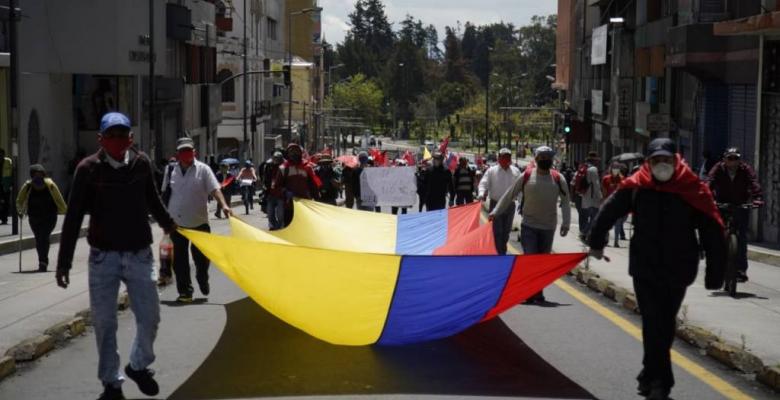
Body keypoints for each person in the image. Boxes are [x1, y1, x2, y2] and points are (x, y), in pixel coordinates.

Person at [587, 138, 725, 400]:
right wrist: (595, 242)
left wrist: (715, 274)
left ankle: (652, 375)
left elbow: (713, 230)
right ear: (648, 162)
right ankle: (659, 380)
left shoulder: (692, 187)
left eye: (667, 159)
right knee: (653, 322)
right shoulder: (637, 185)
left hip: (679, 267)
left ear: (676, 160)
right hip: (645, 266)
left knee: (664, 321)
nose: (662, 165)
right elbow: (608, 212)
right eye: (656, 160)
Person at [56, 112, 177, 400]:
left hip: (139, 254)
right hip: (103, 258)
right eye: (112, 135)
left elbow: (153, 200)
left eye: (123, 135)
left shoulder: (141, 164)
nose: (118, 141)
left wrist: (169, 224)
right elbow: (73, 217)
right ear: (101, 139)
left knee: (150, 317)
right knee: (105, 323)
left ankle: (138, 365)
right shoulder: (88, 170)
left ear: (130, 138)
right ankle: (111, 382)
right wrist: (63, 261)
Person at [490, 146, 570, 302]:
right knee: (530, 259)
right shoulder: (526, 176)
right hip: (529, 226)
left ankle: (537, 292)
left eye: (548, 157)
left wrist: (566, 223)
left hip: (548, 227)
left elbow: (566, 202)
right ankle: (528, 292)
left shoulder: (558, 178)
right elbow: (509, 195)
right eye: (542, 157)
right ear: (536, 158)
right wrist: (496, 211)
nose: (545, 160)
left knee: (541, 262)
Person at [163, 137, 232, 303]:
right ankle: (185, 292)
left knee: (201, 258)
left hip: (199, 222)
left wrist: (224, 205)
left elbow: (215, 189)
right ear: (177, 154)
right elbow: (165, 192)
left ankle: (202, 276)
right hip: (176, 223)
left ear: (195, 152)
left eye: (189, 150)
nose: (186, 154)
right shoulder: (170, 170)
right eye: (182, 151)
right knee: (179, 260)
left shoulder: (204, 170)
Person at [708, 147, 762, 282]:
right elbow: (709, 181)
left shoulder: (745, 169)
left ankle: (741, 269)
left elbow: (754, 182)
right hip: (722, 204)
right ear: (724, 159)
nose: (733, 161)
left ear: (739, 160)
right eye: (730, 158)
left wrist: (758, 198)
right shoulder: (718, 168)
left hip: (741, 205)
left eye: (736, 158)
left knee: (742, 237)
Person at [16, 164, 67, 272]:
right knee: (39, 239)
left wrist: (66, 212)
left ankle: (43, 262)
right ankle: (42, 260)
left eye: (41, 175)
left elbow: (59, 199)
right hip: (34, 218)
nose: (38, 178)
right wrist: (20, 211)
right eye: (36, 175)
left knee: (44, 236)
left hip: (49, 217)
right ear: (32, 176)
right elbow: (19, 201)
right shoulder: (28, 186)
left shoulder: (50, 185)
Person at [478, 148, 522, 255]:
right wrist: (481, 193)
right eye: (504, 157)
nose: (507, 159)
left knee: (506, 231)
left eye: (508, 157)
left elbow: (520, 188)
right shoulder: (492, 171)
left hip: (510, 205)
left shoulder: (516, 171)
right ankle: (500, 252)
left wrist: (522, 202)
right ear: (499, 158)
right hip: (495, 205)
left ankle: (502, 249)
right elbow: (483, 183)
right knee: (497, 231)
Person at [273, 143, 321, 226]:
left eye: (296, 151)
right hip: (289, 206)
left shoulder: (308, 167)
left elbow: (314, 185)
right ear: (288, 154)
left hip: (305, 205)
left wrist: (317, 200)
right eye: (291, 151)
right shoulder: (283, 168)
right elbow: (276, 187)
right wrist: (285, 192)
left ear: (300, 153)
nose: (294, 154)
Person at [577, 151, 603, 239]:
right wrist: (600, 197)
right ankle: (584, 232)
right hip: (592, 198)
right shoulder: (593, 169)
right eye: (597, 160)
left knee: (585, 217)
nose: (597, 162)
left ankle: (585, 232)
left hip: (584, 196)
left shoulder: (583, 167)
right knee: (595, 217)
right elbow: (596, 184)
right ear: (594, 160)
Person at [602, 162, 627, 247]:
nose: (615, 169)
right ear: (611, 168)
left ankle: (616, 241)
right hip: (609, 204)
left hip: (619, 205)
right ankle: (606, 238)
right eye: (614, 167)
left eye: (617, 167)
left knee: (618, 223)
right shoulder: (606, 179)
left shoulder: (622, 179)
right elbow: (604, 192)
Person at [263, 152, 285, 230]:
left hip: (280, 194)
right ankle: (273, 225)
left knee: (280, 214)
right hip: (271, 193)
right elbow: (266, 179)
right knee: (270, 212)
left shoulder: (284, 167)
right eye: (274, 158)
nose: (275, 160)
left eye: (277, 158)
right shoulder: (269, 167)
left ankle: (280, 226)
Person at [0, 148, 12, 224]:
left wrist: (11, 183)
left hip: (6, 184)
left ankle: (4, 219)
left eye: (1, 155)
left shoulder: (8, 161)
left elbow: (12, 172)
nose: (0, 156)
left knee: (6, 202)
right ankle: (2, 217)